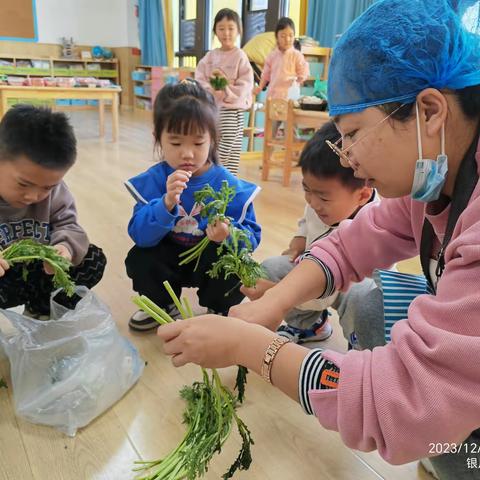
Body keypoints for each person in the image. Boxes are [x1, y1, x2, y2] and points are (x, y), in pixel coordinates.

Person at [155, 1, 480, 478]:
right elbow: (351, 242)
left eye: (352, 134)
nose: (346, 157)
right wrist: (275, 303)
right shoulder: (436, 170)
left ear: (429, 111)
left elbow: (401, 402)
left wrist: (252, 348)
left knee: (427, 422)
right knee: (370, 305)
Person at [125, 79, 261, 331]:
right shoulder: (155, 180)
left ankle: (220, 308)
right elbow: (139, 235)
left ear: (212, 139)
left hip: (209, 263)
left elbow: (251, 238)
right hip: (169, 259)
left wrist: (228, 235)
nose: (187, 153)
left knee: (235, 261)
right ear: (158, 138)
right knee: (140, 258)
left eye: (198, 143)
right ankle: (163, 304)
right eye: (176, 143)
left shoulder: (228, 185)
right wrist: (165, 204)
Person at [243, 121, 376, 344]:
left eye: (323, 197)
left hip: (352, 284)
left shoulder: (374, 225)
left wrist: (279, 295)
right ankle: (310, 326)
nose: (313, 202)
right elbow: (307, 218)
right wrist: (300, 237)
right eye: (306, 189)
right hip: (319, 272)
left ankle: (361, 346)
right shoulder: (321, 202)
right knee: (272, 267)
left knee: (364, 299)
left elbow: (326, 292)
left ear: (362, 196)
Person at [0, 105, 106, 318]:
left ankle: (40, 310)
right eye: (23, 184)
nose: (33, 196)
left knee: (92, 259)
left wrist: (64, 247)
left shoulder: (57, 192)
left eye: (48, 187)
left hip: (37, 272)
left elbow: (68, 224)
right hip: (4, 278)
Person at [195, 8, 253, 176]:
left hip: (232, 110)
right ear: (215, 31)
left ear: (238, 31)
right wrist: (211, 89)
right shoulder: (210, 57)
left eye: (230, 28)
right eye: (221, 28)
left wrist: (227, 89)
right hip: (212, 110)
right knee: (214, 145)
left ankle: (226, 182)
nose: (226, 33)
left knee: (230, 150)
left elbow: (246, 84)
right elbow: (200, 79)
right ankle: (215, 178)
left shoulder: (240, 56)